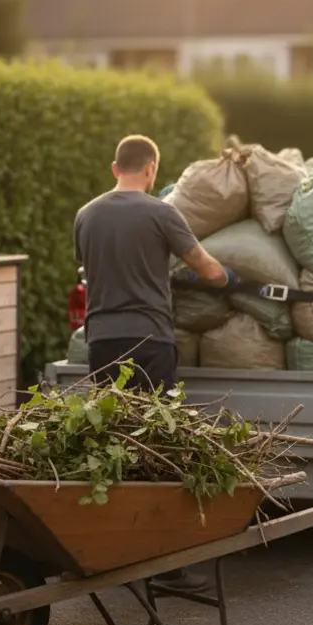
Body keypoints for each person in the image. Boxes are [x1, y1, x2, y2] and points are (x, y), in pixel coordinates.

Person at [73, 134, 235, 591]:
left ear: (114, 168)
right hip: (149, 342)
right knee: (160, 448)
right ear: (151, 170)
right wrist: (227, 277)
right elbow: (208, 270)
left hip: (102, 343)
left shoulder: (86, 215)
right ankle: (165, 568)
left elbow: (90, 271)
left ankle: (111, 556)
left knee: (112, 445)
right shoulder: (162, 213)